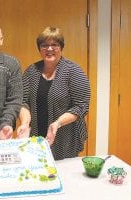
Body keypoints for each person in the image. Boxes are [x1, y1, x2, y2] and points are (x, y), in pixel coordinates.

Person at [17, 27, 90, 160]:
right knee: (38, 170)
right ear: (39, 48)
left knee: (62, 173)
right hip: (36, 135)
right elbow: (23, 101)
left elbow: (81, 106)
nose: (49, 49)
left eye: (54, 45)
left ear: (61, 47)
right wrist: (25, 123)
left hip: (64, 135)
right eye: (44, 45)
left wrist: (57, 123)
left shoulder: (74, 71)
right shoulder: (31, 71)